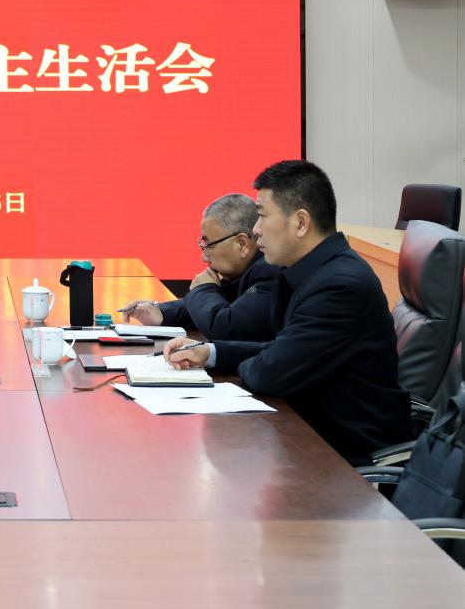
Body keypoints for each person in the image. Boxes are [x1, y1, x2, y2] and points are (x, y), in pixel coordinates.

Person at [163, 160, 412, 465]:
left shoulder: (339, 287)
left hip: (346, 459)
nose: (256, 230)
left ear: (300, 223)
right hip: (311, 438)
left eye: (263, 216)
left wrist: (251, 360)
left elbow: (271, 371)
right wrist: (211, 352)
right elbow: (284, 351)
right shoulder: (311, 272)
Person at [122, 193, 279, 341]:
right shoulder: (246, 272)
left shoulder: (269, 273)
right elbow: (222, 302)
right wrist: (162, 313)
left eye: (209, 245)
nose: (203, 258)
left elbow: (228, 329)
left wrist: (204, 290)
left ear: (242, 244)